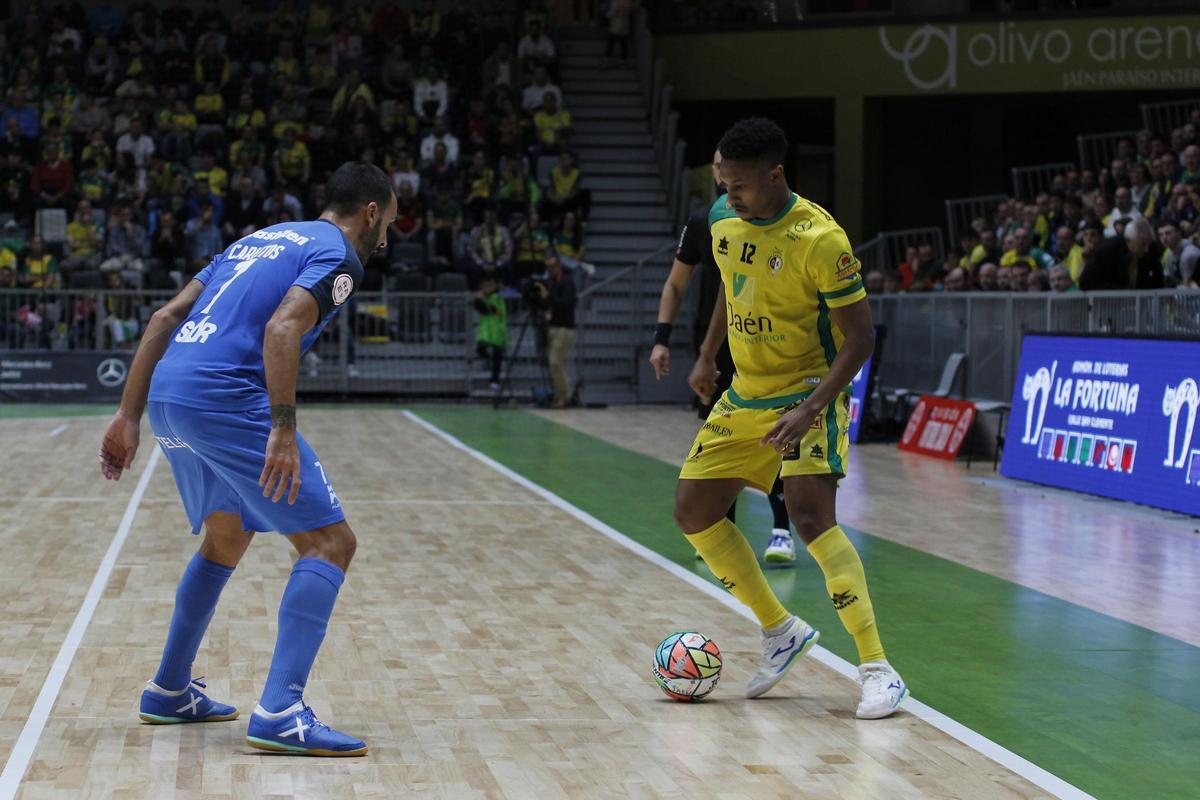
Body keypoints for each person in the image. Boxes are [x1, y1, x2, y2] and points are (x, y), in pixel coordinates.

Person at [97, 161, 396, 757]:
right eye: (388, 221)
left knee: (225, 538)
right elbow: (283, 328)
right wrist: (282, 428)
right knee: (330, 544)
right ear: (369, 213)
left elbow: (164, 318)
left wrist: (128, 415)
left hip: (170, 393)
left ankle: (170, 690)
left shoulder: (255, 239)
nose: (387, 233)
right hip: (226, 393)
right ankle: (282, 711)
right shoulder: (341, 255)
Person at [678, 117, 906, 717]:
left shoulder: (821, 240)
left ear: (776, 175)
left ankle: (878, 668)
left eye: (741, 185)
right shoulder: (723, 219)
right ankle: (780, 631)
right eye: (723, 183)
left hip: (809, 391)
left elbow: (859, 340)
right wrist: (706, 354)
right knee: (693, 511)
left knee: (809, 518)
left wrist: (810, 409)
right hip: (745, 392)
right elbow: (732, 285)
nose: (729, 196)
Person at [649, 148, 796, 563]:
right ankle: (721, 532)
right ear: (716, 174)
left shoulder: (776, 220)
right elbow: (680, 286)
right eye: (717, 165)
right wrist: (665, 340)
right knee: (725, 437)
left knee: (776, 438)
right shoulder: (704, 223)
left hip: (774, 346)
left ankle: (782, 531)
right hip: (722, 346)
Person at [1079, 217, 1164, 291]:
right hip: (1109, 302)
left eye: (1148, 244)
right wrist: (1122, 292)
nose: (1146, 249)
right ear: (1129, 241)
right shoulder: (1108, 250)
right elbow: (1085, 281)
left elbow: (1158, 280)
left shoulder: (1150, 248)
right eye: (1142, 245)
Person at [542, 256, 576, 408]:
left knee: (555, 362)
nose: (550, 270)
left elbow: (566, 303)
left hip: (565, 327)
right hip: (553, 326)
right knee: (556, 363)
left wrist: (548, 296)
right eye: (548, 267)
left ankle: (565, 396)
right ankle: (559, 395)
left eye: (553, 266)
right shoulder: (551, 283)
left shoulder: (567, 282)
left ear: (559, 266)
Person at [473, 277, 508, 391]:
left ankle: (494, 381)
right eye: (484, 286)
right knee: (480, 349)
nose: (487, 289)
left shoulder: (497, 297)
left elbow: (492, 309)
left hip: (497, 330)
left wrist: (480, 299)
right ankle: (489, 359)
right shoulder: (484, 298)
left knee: (498, 356)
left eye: (490, 286)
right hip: (485, 331)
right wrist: (476, 300)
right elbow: (479, 307)